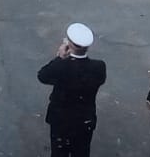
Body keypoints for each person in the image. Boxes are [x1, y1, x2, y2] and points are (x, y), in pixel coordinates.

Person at [37, 22, 107, 157]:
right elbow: (100, 80)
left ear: (68, 44)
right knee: (81, 152)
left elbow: (42, 76)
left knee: (59, 152)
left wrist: (59, 58)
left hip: (60, 120)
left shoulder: (61, 67)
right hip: (85, 120)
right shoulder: (99, 67)